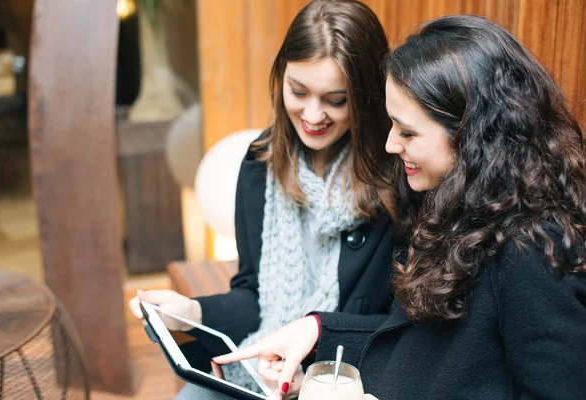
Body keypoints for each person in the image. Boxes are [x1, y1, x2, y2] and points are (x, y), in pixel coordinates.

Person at [214, 15, 586, 399]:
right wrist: (318, 330)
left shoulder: (534, 251)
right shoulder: (461, 205)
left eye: (407, 132)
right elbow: (419, 343)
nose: (391, 145)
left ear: (474, 136)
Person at [129, 0, 399, 397]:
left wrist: (311, 382)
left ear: (365, 97)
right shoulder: (261, 162)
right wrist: (192, 313)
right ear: (281, 79)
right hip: (258, 372)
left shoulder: (398, 180)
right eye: (298, 91)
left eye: (335, 100)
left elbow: (399, 329)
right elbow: (253, 294)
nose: (312, 114)